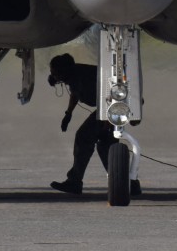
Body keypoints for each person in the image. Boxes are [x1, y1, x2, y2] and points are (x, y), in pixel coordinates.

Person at [48, 53, 140, 196]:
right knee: (106, 145)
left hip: (114, 105)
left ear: (64, 71)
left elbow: (108, 98)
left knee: (84, 137)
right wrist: (68, 114)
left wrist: (107, 122)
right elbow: (75, 93)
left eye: (56, 73)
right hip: (106, 109)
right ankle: (129, 184)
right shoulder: (72, 76)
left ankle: (75, 182)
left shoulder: (86, 77)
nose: (54, 76)